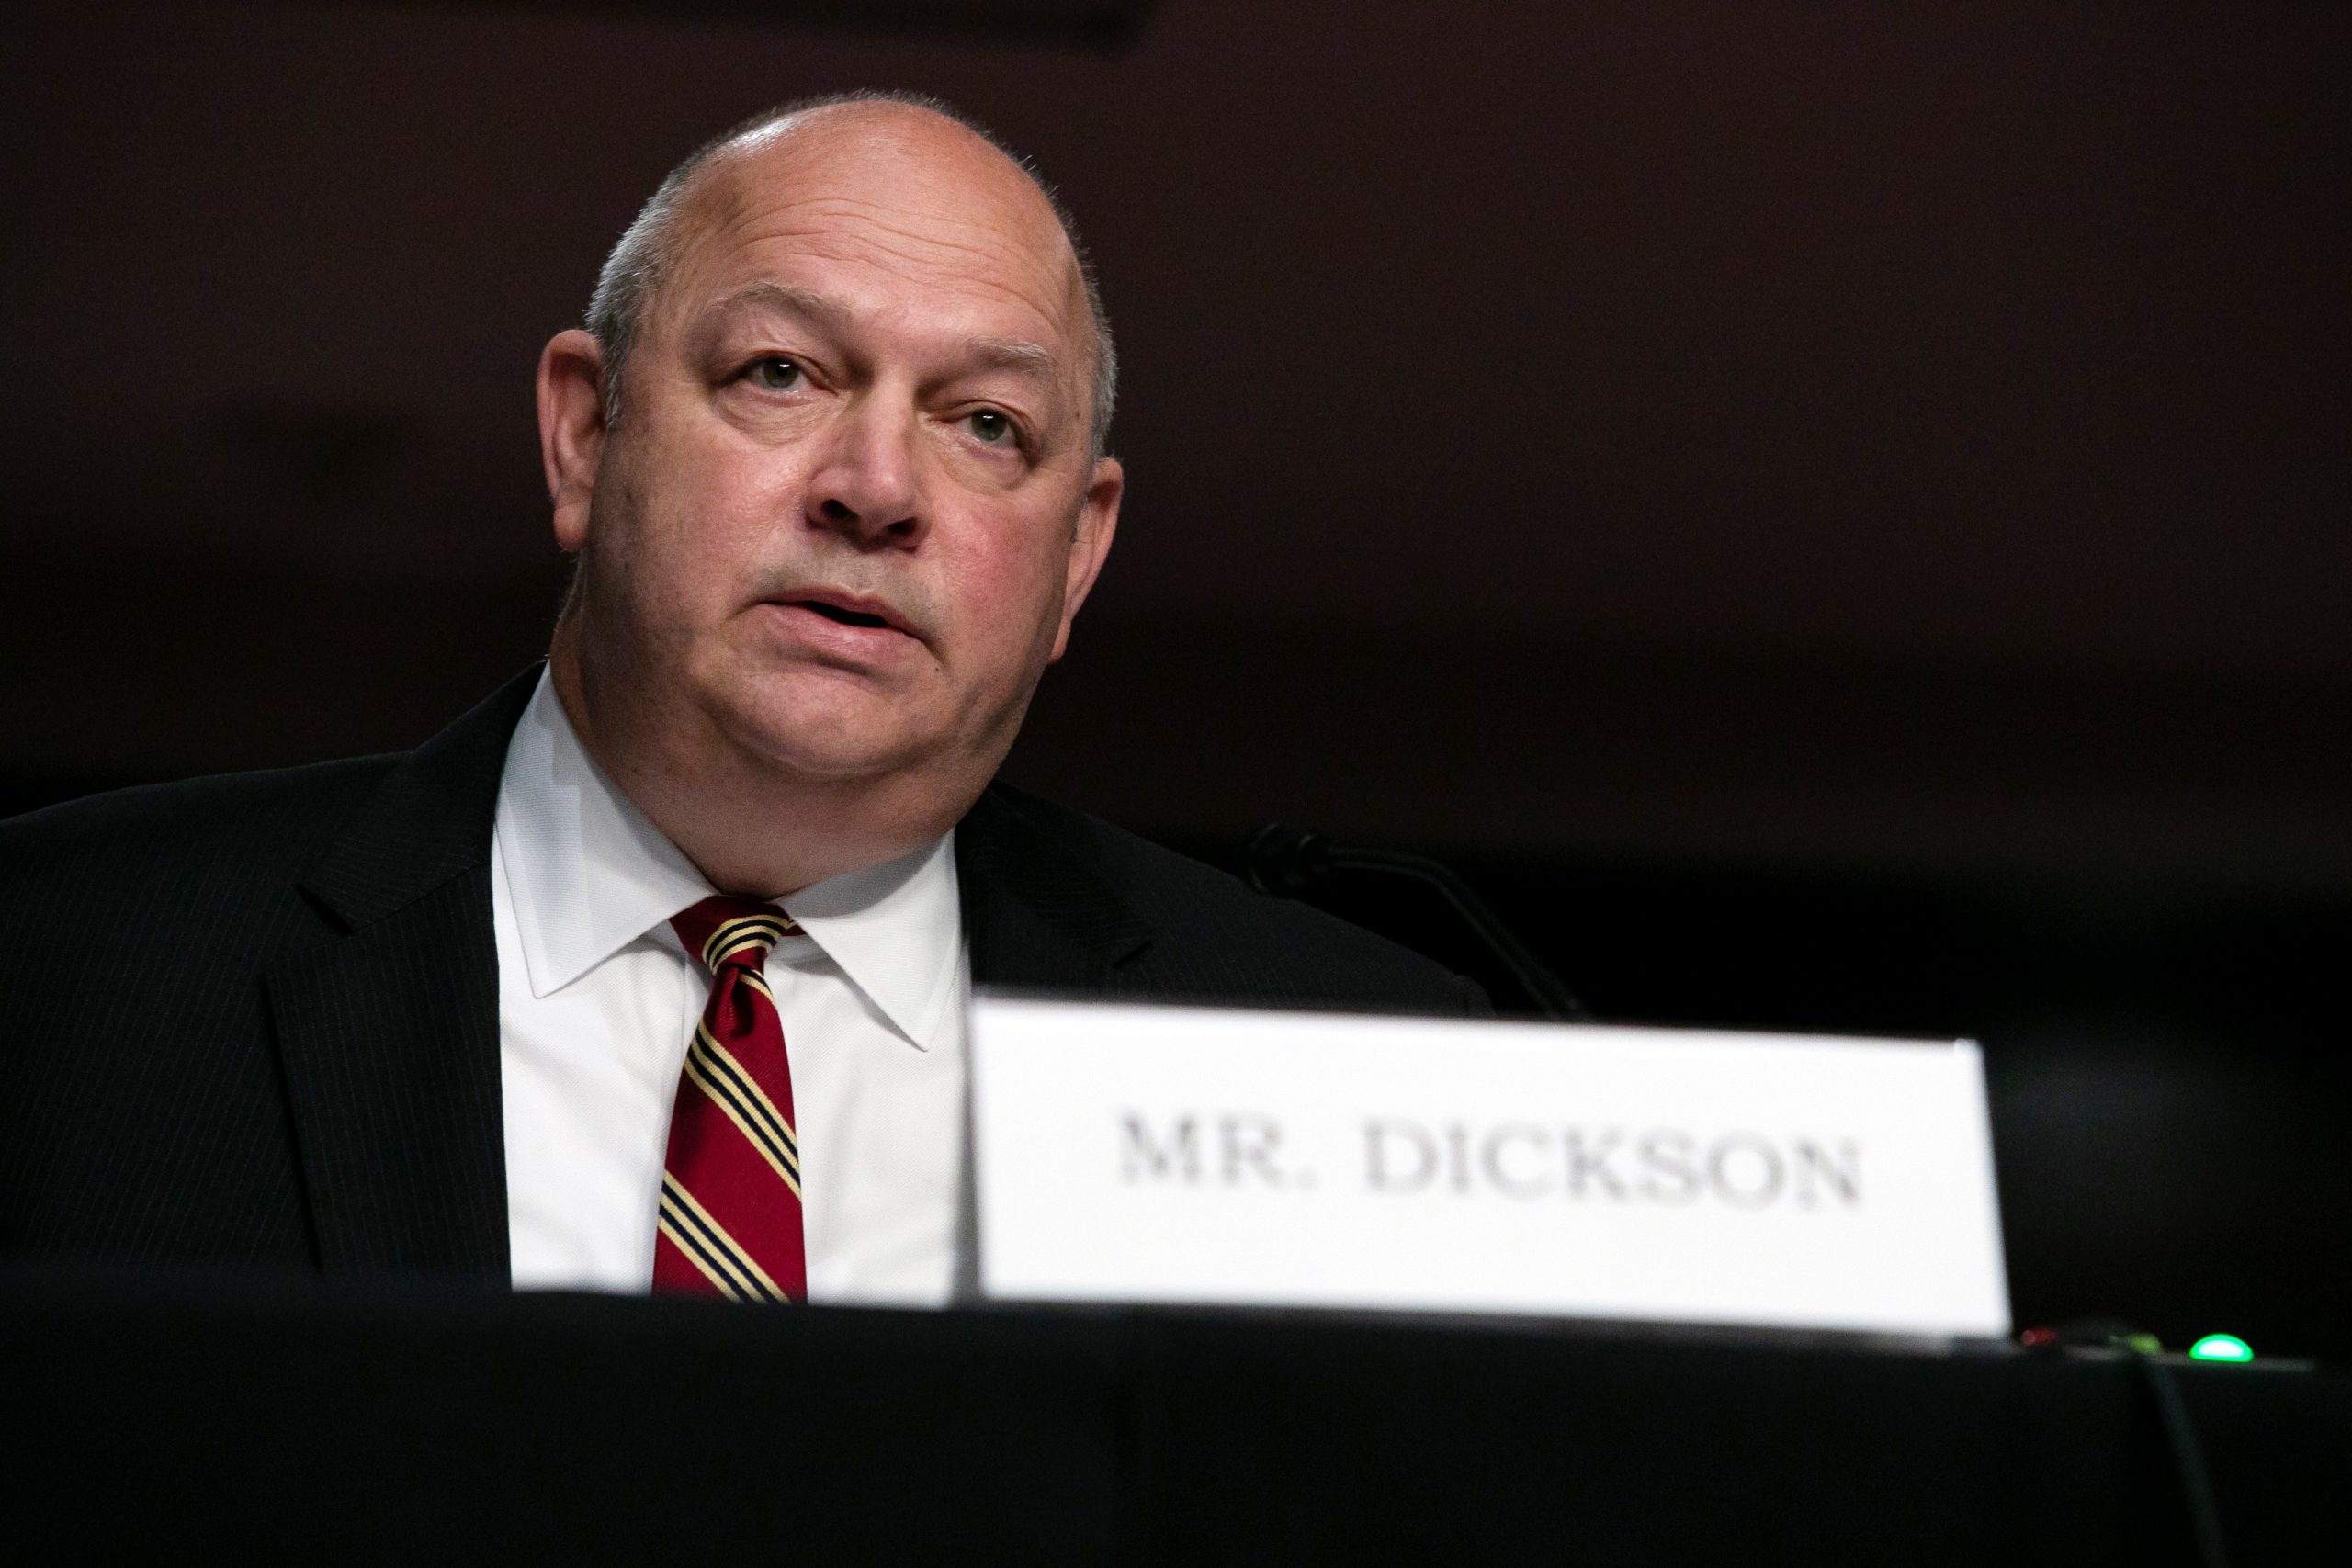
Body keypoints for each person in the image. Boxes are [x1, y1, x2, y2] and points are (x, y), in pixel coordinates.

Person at [0, 92, 1483, 1302]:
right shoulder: (68, 963)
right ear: (587, 437)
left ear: (1078, 557)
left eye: (985, 424)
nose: (878, 490)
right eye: (783, 372)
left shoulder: (1355, 1071)